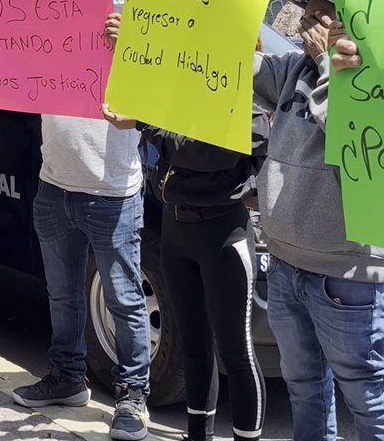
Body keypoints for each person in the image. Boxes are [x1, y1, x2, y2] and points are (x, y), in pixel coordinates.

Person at [0, 0, 151, 441]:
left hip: (112, 192)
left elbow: (168, 79)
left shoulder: (132, 29)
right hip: (53, 187)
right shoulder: (47, 17)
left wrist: (130, 41)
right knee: (62, 296)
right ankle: (67, 377)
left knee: (124, 301)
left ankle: (133, 395)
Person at [225, 0, 384, 441]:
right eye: (307, 11)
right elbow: (238, 63)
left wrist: (328, 65)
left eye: (320, 14)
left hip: (346, 275)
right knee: (303, 386)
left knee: (365, 392)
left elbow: (353, 135)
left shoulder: (379, 78)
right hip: (285, 263)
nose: (305, 21)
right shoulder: (294, 67)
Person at [102, 85, 270, 441]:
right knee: (193, 343)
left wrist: (145, 124)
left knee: (237, 353)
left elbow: (207, 153)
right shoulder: (184, 84)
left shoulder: (247, 102)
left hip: (224, 234)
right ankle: (197, 435)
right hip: (176, 228)